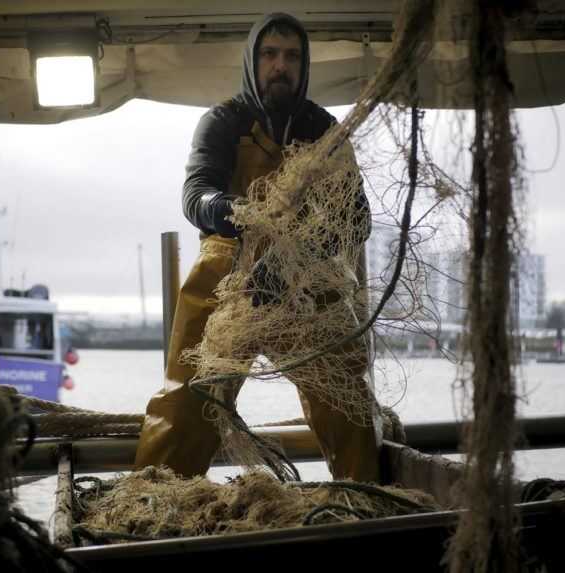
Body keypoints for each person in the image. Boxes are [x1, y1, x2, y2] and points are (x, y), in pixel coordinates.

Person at [134, 13, 381, 482]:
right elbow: (196, 195)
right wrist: (236, 213)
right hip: (228, 277)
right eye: (270, 55)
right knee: (189, 400)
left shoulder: (324, 129)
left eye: (291, 56)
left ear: (303, 65)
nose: (280, 66)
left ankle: (366, 497)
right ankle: (154, 499)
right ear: (253, 61)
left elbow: (355, 216)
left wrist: (294, 258)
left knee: (346, 398)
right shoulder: (222, 121)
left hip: (306, 280)